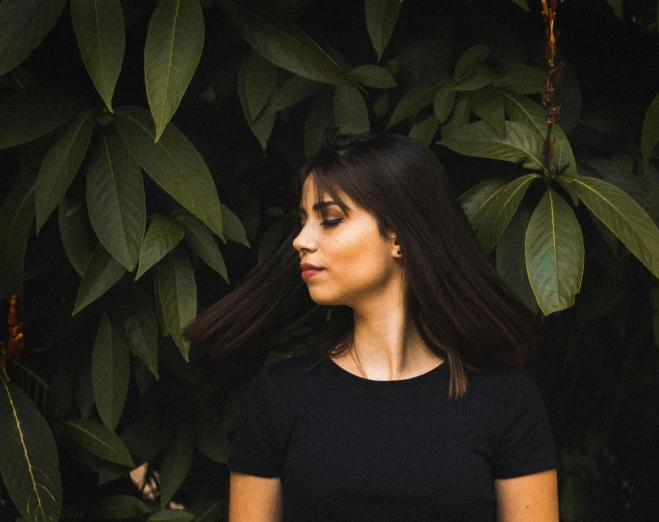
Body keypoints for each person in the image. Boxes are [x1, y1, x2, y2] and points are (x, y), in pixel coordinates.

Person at [185, 132, 559, 521]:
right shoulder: (278, 397)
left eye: (329, 220)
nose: (300, 240)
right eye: (303, 221)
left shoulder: (505, 398)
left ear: (398, 236)